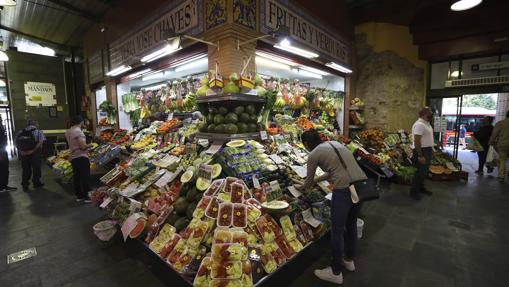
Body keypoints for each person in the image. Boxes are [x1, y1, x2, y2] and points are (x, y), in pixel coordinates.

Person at [295, 129, 367, 285]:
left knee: (337, 230)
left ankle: (335, 272)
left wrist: (303, 185)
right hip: (360, 186)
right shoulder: (335, 143)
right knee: (351, 224)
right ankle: (349, 260)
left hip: (344, 190)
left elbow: (306, 184)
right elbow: (332, 170)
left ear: (306, 144)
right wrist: (316, 180)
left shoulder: (313, 154)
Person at [410, 107, 434, 200]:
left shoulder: (427, 123)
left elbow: (427, 138)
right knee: (419, 172)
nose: (432, 113)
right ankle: (414, 192)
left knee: (424, 172)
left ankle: (421, 188)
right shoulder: (419, 124)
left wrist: (431, 149)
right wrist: (420, 155)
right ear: (424, 113)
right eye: (430, 112)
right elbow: (417, 141)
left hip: (427, 150)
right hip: (421, 151)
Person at [65, 115, 91, 202]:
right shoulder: (78, 132)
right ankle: (87, 196)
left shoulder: (69, 131)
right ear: (81, 122)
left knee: (77, 177)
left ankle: (79, 196)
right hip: (81, 156)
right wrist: (91, 145)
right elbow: (83, 147)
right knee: (85, 177)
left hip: (73, 157)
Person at [16, 119, 45, 189]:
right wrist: (33, 150)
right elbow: (41, 142)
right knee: (36, 168)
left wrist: (20, 151)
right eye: (37, 123)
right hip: (35, 153)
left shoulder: (20, 132)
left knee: (26, 169)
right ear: (35, 124)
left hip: (23, 153)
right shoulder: (38, 132)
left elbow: (16, 142)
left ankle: (25, 184)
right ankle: (36, 182)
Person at [489, 110, 509, 182]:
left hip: (503, 144)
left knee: (502, 160)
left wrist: (491, 142)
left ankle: (501, 176)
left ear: (506, 115)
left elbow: (494, 134)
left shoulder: (500, 123)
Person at [0, 115, 17, 192]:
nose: (1, 118)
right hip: (1, 151)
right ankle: (2, 186)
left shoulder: (1, 126)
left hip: (3, 150)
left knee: (5, 169)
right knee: (3, 169)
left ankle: (3, 185)